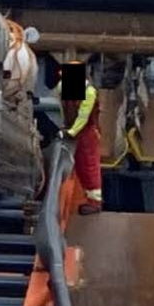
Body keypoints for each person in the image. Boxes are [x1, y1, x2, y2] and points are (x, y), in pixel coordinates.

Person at [50, 65, 103, 215]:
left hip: (87, 134)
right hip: (72, 131)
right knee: (79, 166)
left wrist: (71, 132)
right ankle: (85, 198)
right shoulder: (64, 86)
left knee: (89, 165)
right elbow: (57, 103)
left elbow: (83, 116)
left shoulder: (90, 93)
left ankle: (95, 202)